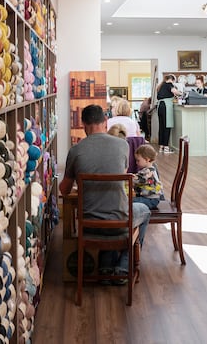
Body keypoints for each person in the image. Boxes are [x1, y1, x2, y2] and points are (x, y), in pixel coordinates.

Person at [60, 104, 150, 283]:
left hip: (88, 226)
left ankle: (105, 265)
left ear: (83, 125)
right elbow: (121, 174)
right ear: (105, 122)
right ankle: (122, 267)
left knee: (105, 208)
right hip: (119, 223)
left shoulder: (75, 150)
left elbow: (64, 190)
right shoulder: (122, 145)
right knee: (144, 210)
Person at [133, 144, 164, 210]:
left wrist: (130, 178)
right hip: (151, 198)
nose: (136, 163)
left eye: (138, 160)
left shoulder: (148, 171)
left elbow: (140, 179)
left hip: (150, 200)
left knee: (129, 202)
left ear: (147, 160)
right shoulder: (151, 168)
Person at [156, 74, 181, 154]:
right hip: (166, 106)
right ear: (172, 80)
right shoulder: (169, 84)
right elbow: (175, 92)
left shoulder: (161, 85)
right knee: (167, 126)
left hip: (160, 106)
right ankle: (166, 147)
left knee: (161, 126)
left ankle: (161, 147)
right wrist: (181, 93)